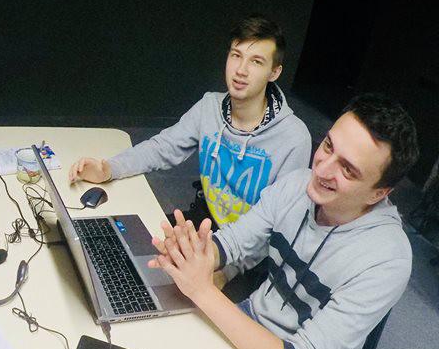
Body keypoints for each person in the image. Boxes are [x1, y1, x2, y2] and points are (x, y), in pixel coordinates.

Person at [148, 94, 418, 349]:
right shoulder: (297, 185)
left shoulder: (387, 261)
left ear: (379, 193)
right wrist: (192, 254)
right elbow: (233, 242)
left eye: (347, 170)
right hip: (251, 313)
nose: (322, 169)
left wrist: (203, 290)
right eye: (328, 146)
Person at [69, 15, 312, 230]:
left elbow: (278, 224)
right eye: (236, 56)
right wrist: (108, 169)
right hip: (203, 225)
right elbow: (162, 148)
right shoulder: (210, 107)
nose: (241, 70)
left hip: (248, 255)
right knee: (114, 238)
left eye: (256, 61)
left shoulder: (293, 139)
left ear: (274, 72)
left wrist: (220, 260)